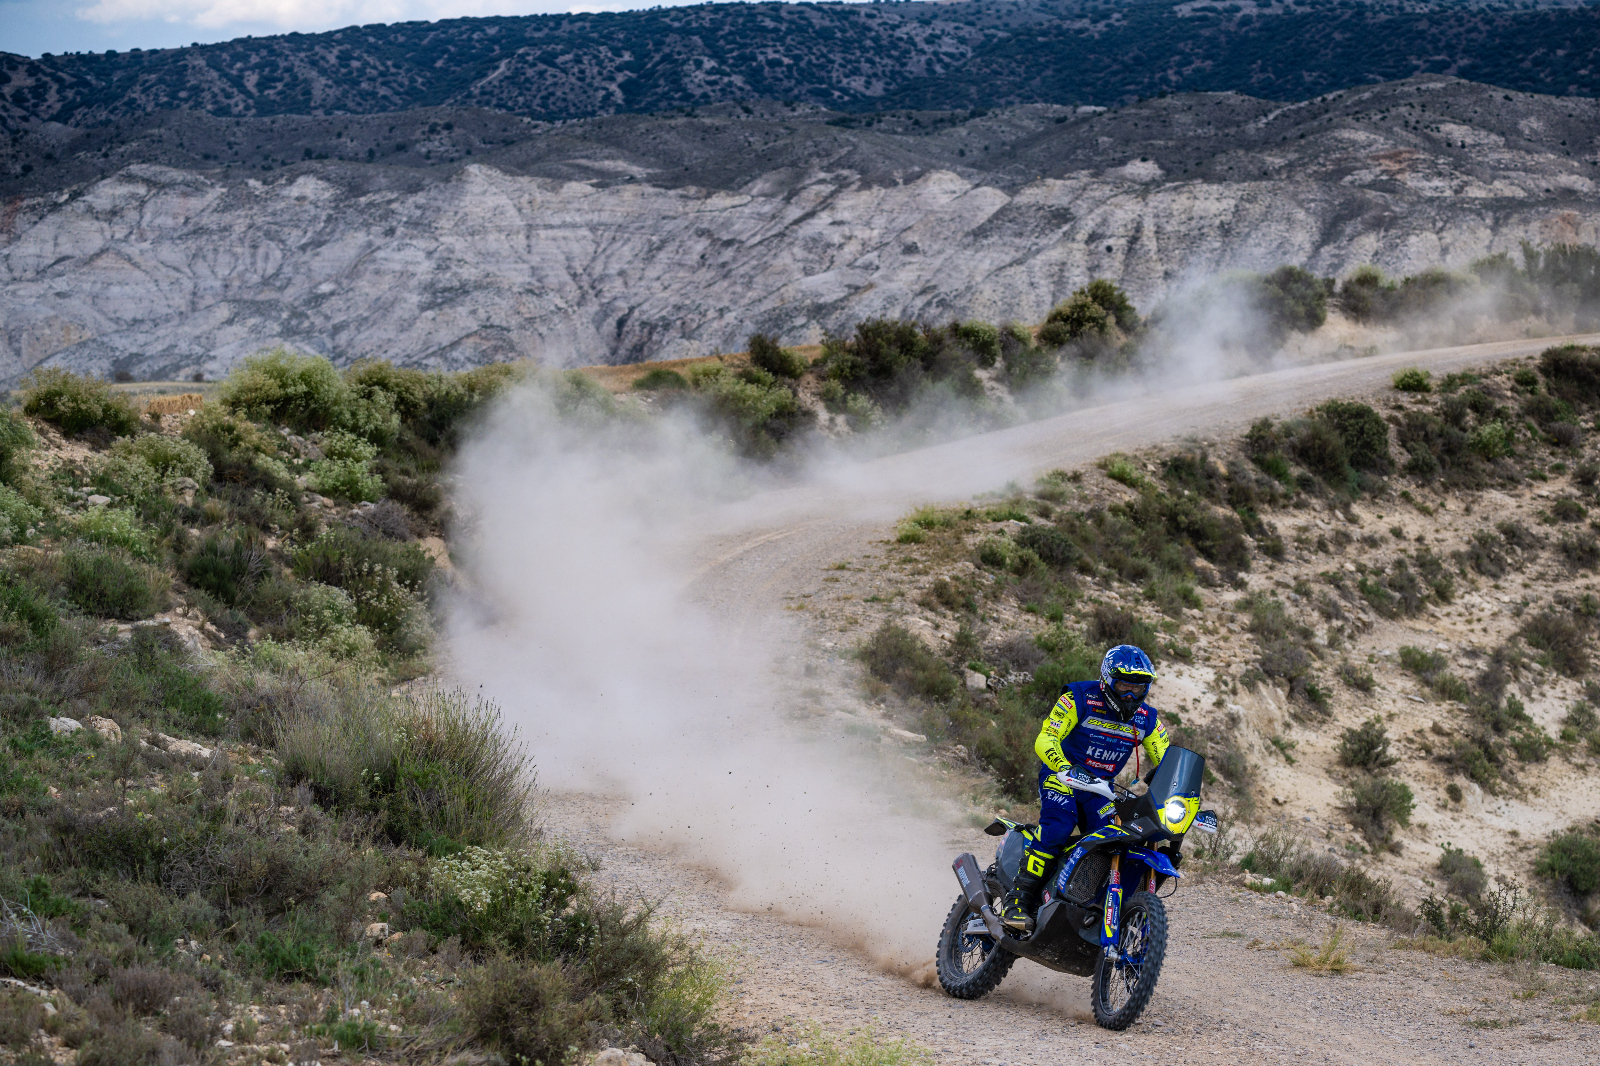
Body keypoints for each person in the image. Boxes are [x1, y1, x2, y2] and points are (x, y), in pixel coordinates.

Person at [1000, 644, 1170, 932]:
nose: (1130, 695)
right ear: (1107, 680)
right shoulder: (1078, 697)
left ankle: (1087, 905)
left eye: (1138, 688)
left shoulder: (1147, 719)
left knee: (1116, 839)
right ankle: (1017, 900)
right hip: (1062, 776)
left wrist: (1181, 793)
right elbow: (1046, 738)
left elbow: (1168, 759)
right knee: (1058, 826)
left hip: (1101, 790)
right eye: (1124, 685)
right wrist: (1063, 766)